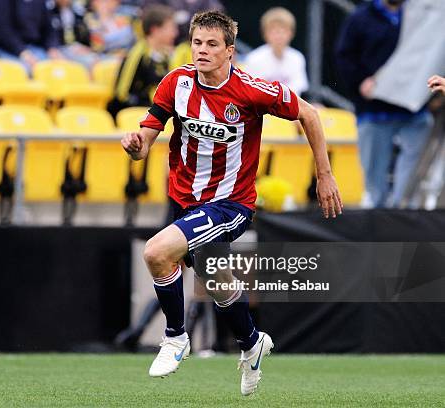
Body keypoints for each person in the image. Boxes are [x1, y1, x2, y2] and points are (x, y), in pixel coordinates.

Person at [121, 10, 342, 396]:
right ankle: (253, 343)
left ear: (230, 51)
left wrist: (324, 175)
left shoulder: (252, 89)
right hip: (184, 200)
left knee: (157, 253)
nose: (202, 51)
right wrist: (136, 146)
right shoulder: (175, 83)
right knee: (220, 284)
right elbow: (146, 140)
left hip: (230, 203)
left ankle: (175, 338)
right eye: (196, 43)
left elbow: (308, 113)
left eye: (211, 45)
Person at [335, 0, 432, 208]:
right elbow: (345, 57)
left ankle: (404, 214)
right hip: (374, 111)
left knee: (412, 178)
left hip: (413, 110)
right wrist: (361, 81)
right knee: (375, 179)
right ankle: (380, 223)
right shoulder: (360, 19)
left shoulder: (421, 16)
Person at [107, 4, 177, 118]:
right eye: (170, 28)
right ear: (155, 30)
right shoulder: (137, 54)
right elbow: (122, 94)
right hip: (134, 114)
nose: (175, 33)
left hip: (156, 112)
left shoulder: (165, 56)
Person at [0, 0, 61, 71]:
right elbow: (0, 30)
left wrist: (52, 47)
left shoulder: (39, 2)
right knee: (27, 70)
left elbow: (48, 28)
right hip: (2, 48)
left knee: (59, 67)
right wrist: (22, 51)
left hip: (33, 47)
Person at [243, 7, 308, 96]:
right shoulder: (254, 59)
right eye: (274, 31)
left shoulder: (297, 58)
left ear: (291, 33)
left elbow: (297, 92)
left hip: (289, 107)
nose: (279, 36)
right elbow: (252, 94)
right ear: (265, 34)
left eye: (283, 31)